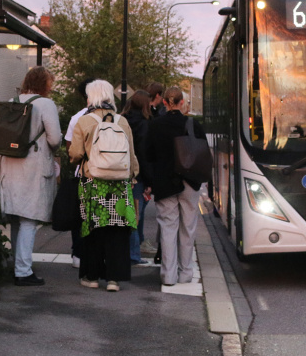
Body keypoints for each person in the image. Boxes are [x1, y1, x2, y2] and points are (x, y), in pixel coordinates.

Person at [69, 80, 139, 292]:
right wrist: (133, 177)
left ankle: (91, 276)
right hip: (119, 184)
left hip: (92, 182)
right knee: (117, 231)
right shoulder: (122, 121)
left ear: (91, 97)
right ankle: (114, 279)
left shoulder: (85, 121)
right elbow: (131, 154)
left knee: (92, 230)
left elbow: (75, 154)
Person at [0, 66, 63, 286]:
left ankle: (17, 264)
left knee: (16, 217)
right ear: (44, 84)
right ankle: (23, 271)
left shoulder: (12, 99)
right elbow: (54, 139)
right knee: (28, 219)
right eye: (50, 83)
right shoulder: (46, 104)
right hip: (32, 166)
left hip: (9, 163)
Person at [146, 86, 207, 287]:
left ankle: (168, 275)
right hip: (189, 180)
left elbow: (149, 156)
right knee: (187, 228)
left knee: (168, 228)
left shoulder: (155, 125)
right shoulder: (192, 124)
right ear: (182, 103)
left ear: (164, 102)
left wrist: (150, 182)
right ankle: (186, 272)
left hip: (164, 182)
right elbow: (203, 153)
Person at [62, 77, 96, 268]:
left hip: (82, 172)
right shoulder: (111, 116)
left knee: (80, 215)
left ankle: (78, 253)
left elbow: (70, 149)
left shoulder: (77, 118)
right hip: (104, 173)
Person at [121, 90, 153, 264]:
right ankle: (133, 254)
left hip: (119, 172)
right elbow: (144, 154)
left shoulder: (121, 120)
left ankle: (124, 250)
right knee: (134, 215)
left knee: (123, 213)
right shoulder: (144, 124)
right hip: (137, 176)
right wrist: (149, 180)